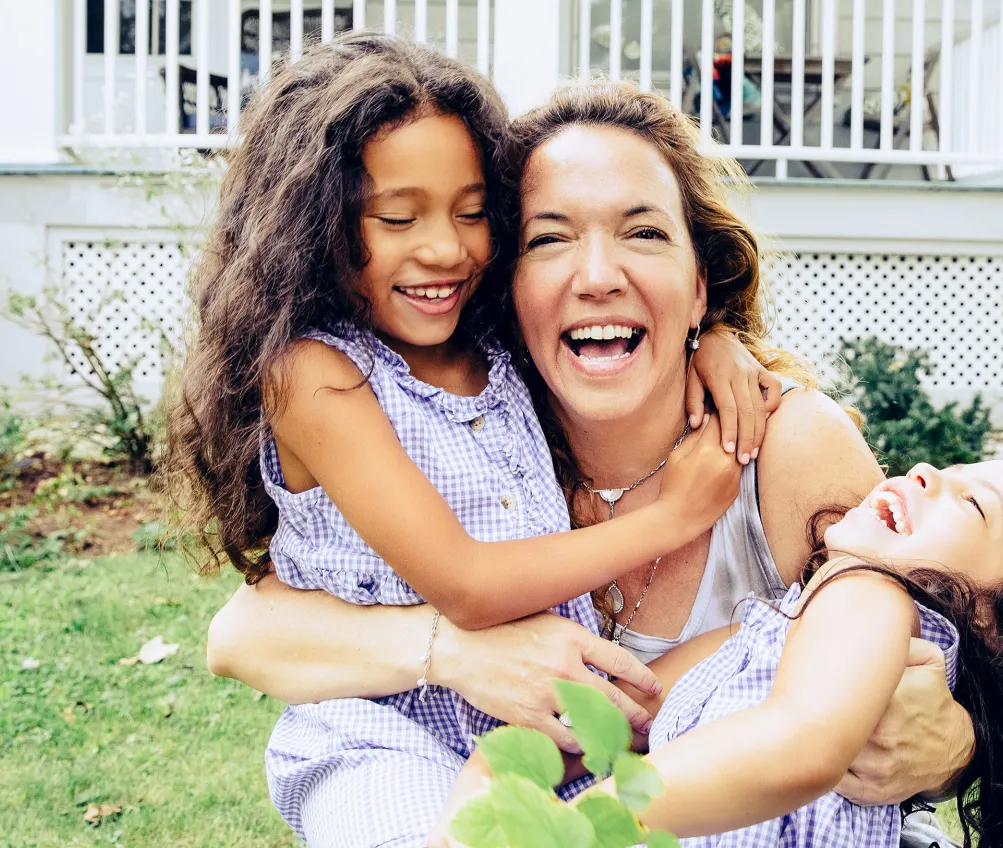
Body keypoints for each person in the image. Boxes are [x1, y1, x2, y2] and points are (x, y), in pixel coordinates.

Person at [206, 78, 977, 846]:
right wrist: (456, 652)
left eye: (644, 234)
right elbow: (243, 634)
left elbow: (964, 659)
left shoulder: (782, 446)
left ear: (700, 278)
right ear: (505, 285)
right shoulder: (476, 425)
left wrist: (959, 749)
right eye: (549, 239)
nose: (598, 275)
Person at [164, 40, 777, 847]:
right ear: (317, 224)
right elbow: (470, 587)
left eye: (472, 210)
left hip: (535, 734)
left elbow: (598, 325)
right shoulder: (317, 376)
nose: (446, 249)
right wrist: (670, 517)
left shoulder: (489, 347)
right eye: (397, 216)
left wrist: (711, 339)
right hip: (377, 739)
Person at [443, 462, 1003, 848]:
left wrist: (576, 825)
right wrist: (486, 787)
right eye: (945, 470)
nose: (924, 473)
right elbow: (602, 717)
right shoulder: (763, 629)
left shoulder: (881, 605)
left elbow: (799, 744)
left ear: (995, 625)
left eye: (971, 504)